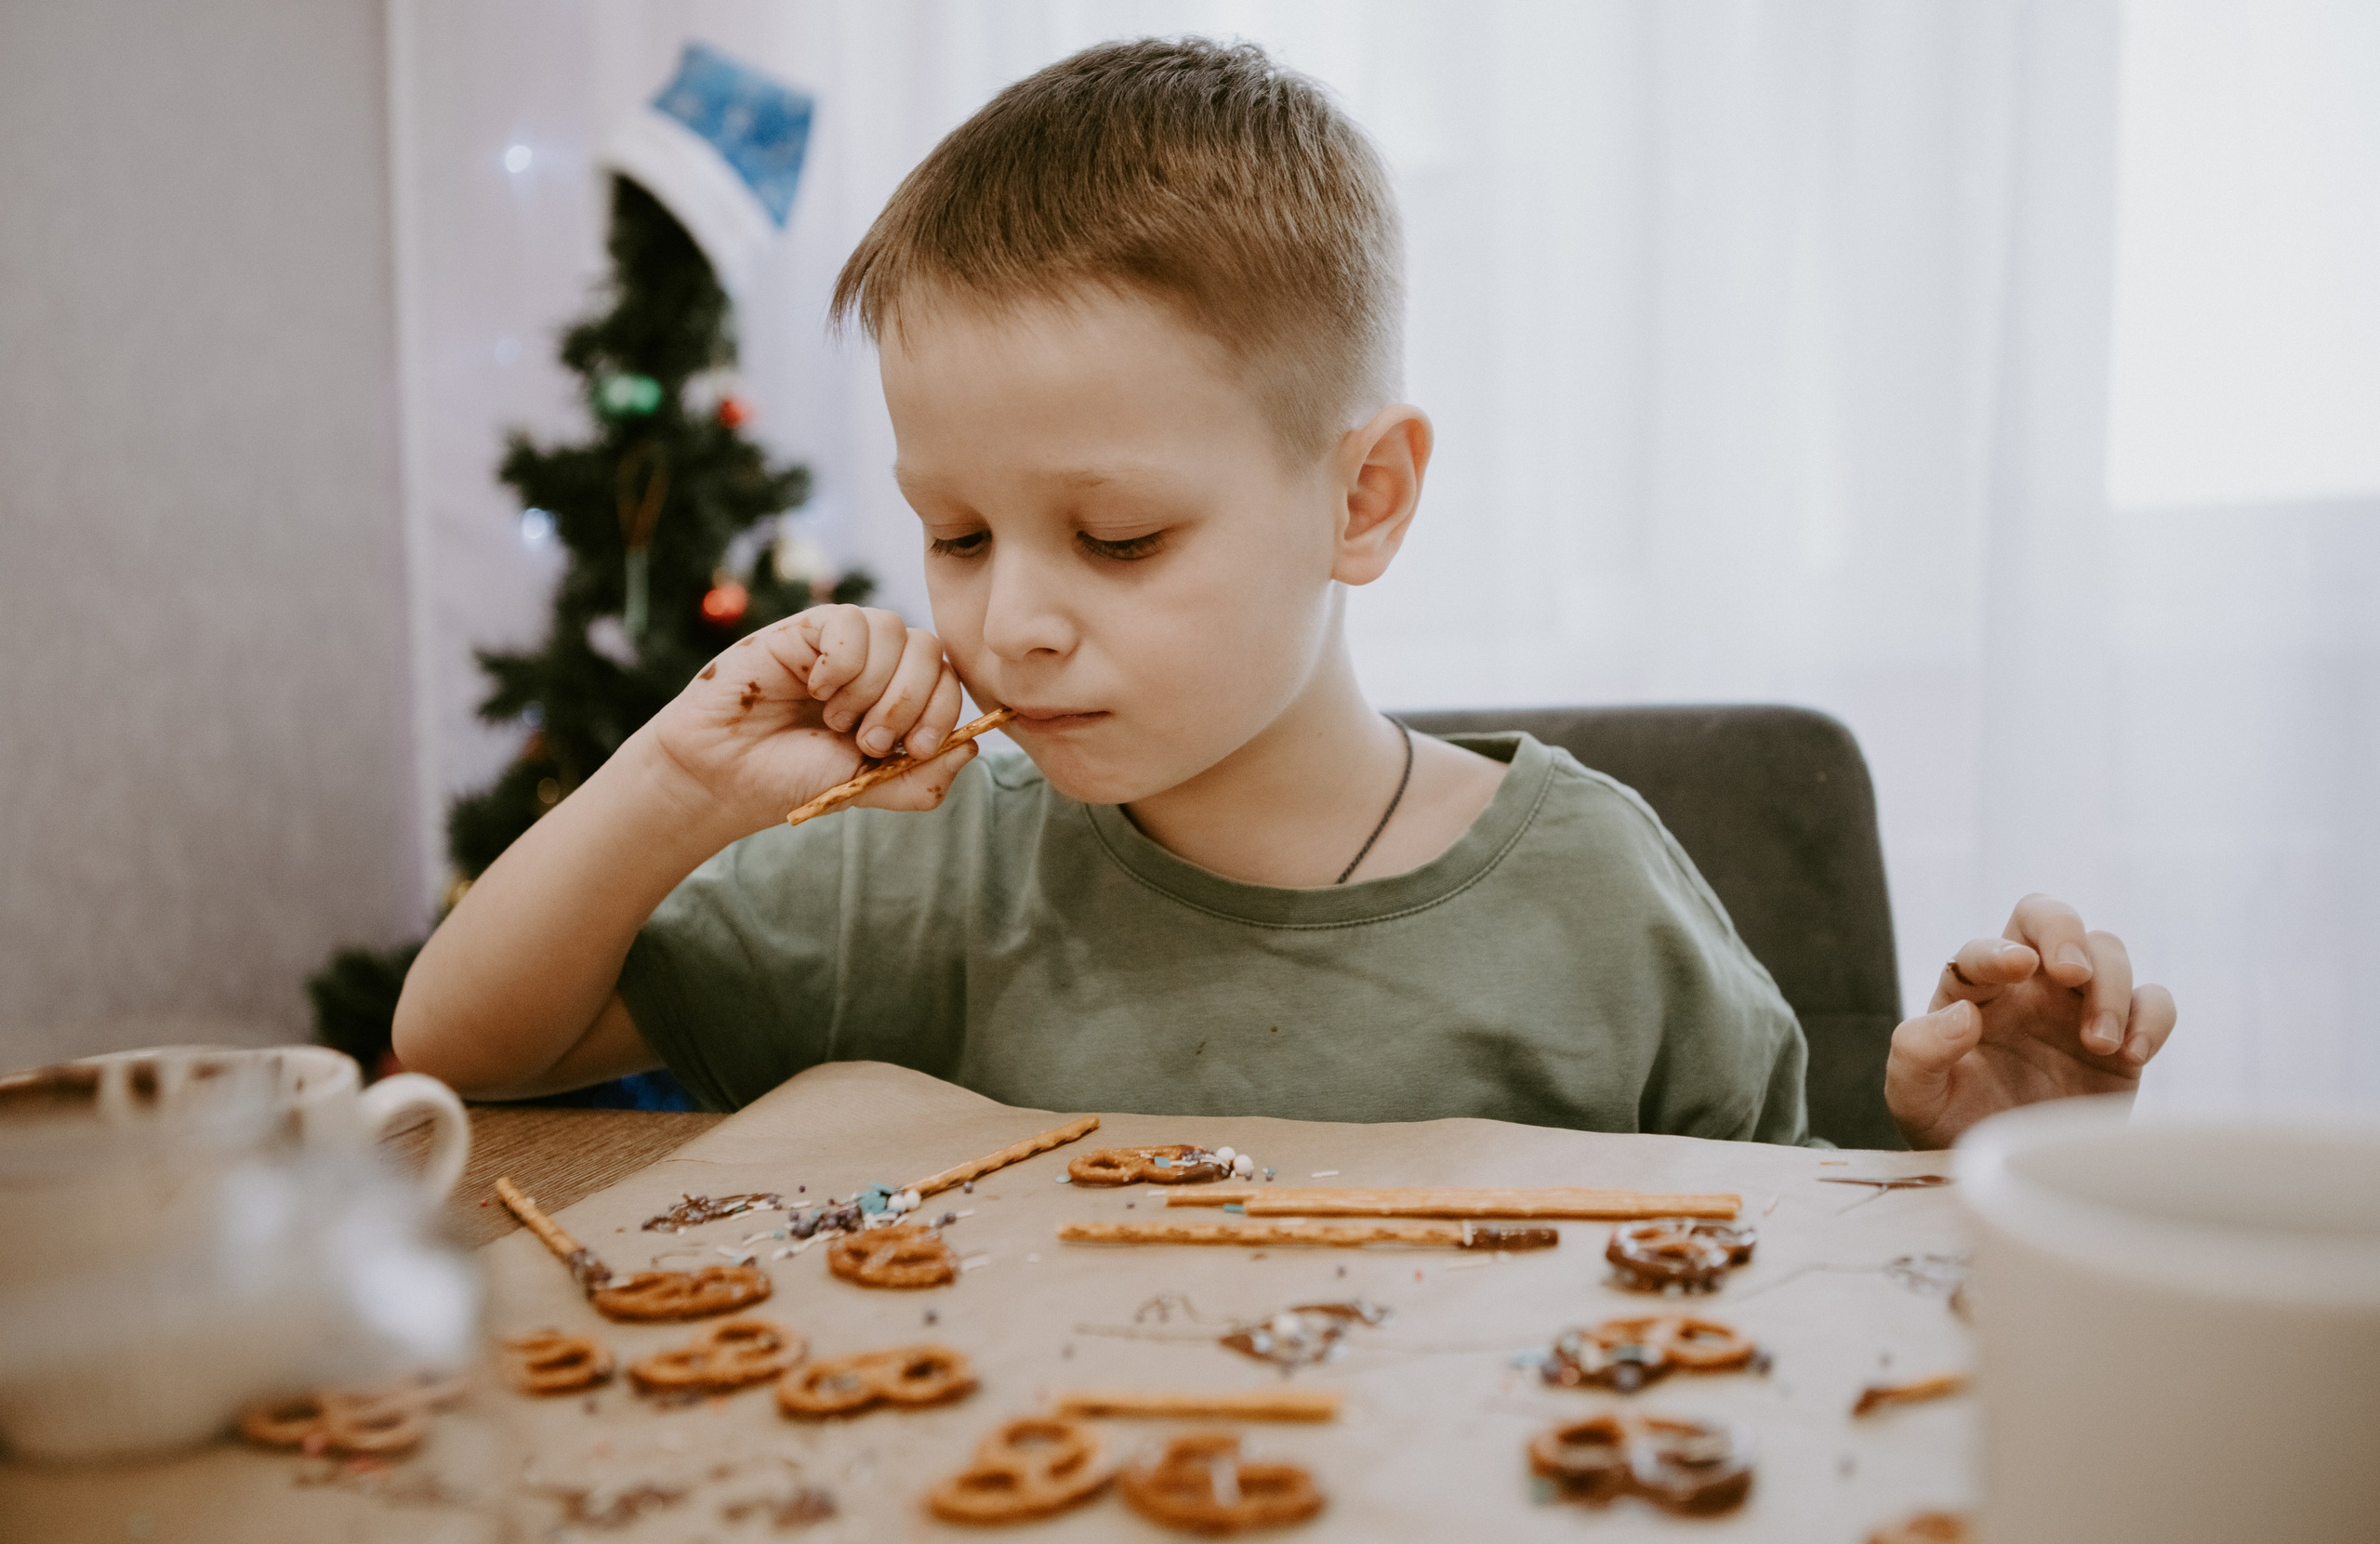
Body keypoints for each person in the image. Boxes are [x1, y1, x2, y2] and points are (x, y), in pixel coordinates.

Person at [394, 38, 2174, 1150]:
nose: (1006, 622)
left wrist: (1975, 1159)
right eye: (954, 533)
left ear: (1363, 498)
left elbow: (1766, 1295)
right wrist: (677, 790)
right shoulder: (917, 874)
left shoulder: (1602, 899)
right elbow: (465, 1048)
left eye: (1116, 540)